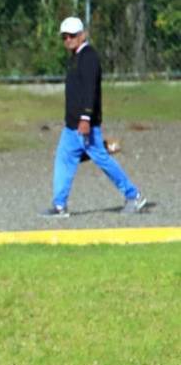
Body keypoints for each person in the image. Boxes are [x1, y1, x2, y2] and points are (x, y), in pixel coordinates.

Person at [41, 17, 146, 218]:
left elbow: (90, 90)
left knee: (103, 160)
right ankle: (59, 205)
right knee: (64, 159)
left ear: (82, 35)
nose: (68, 40)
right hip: (71, 126)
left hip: (84, 125)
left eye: (72, 35)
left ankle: (134, 195)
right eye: (65, 36)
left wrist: (85, 118)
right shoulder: (76, 57)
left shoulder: (89, 57)